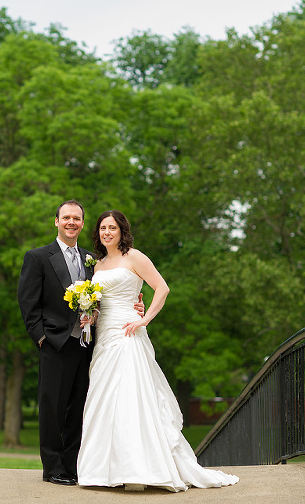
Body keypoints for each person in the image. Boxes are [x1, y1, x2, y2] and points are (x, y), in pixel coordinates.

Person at [76, 210, 239, 492]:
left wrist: (144, 318)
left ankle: (139, 470)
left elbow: (161, 288)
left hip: (128, 335)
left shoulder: (134, 257)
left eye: (112, 228)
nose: (107, 233)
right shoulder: (98, 265)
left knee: (130, 399)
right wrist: (89, 316)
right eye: (103, 228)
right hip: (104, 336)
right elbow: (101, 302)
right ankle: (103, 471)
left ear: (122, 230)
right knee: (103, 401)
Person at [17, 200, 142, 486]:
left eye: (77, 218)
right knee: (52, 407)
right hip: (55, 343)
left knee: (79, 407)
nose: (71, 222)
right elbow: (28, 304)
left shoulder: (92, 260)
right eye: (66, 218)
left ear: (83, 224)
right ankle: (53, 468)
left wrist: (138, 304)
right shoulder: (37, 257)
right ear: (57, 222)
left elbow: (110, 294)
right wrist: (41, 339)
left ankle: (74, 466)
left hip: (88, 345)